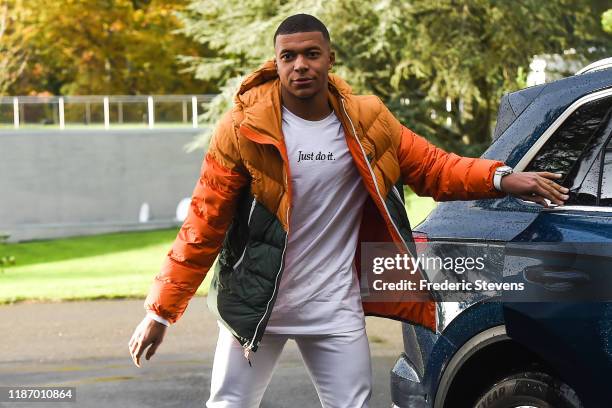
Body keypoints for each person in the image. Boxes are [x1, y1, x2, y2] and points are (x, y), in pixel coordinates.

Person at [128, 14, 569, 408]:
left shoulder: (367, 121)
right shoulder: (243, 129)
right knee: (229, 403)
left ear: (330, 58)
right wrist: (160, 312)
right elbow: (204, 222)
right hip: (258, 305)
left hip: (334, 306)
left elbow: (433, 167)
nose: (300, 65)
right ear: (276, 62)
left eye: (311, 54)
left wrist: (502, 178)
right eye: (289, 56)